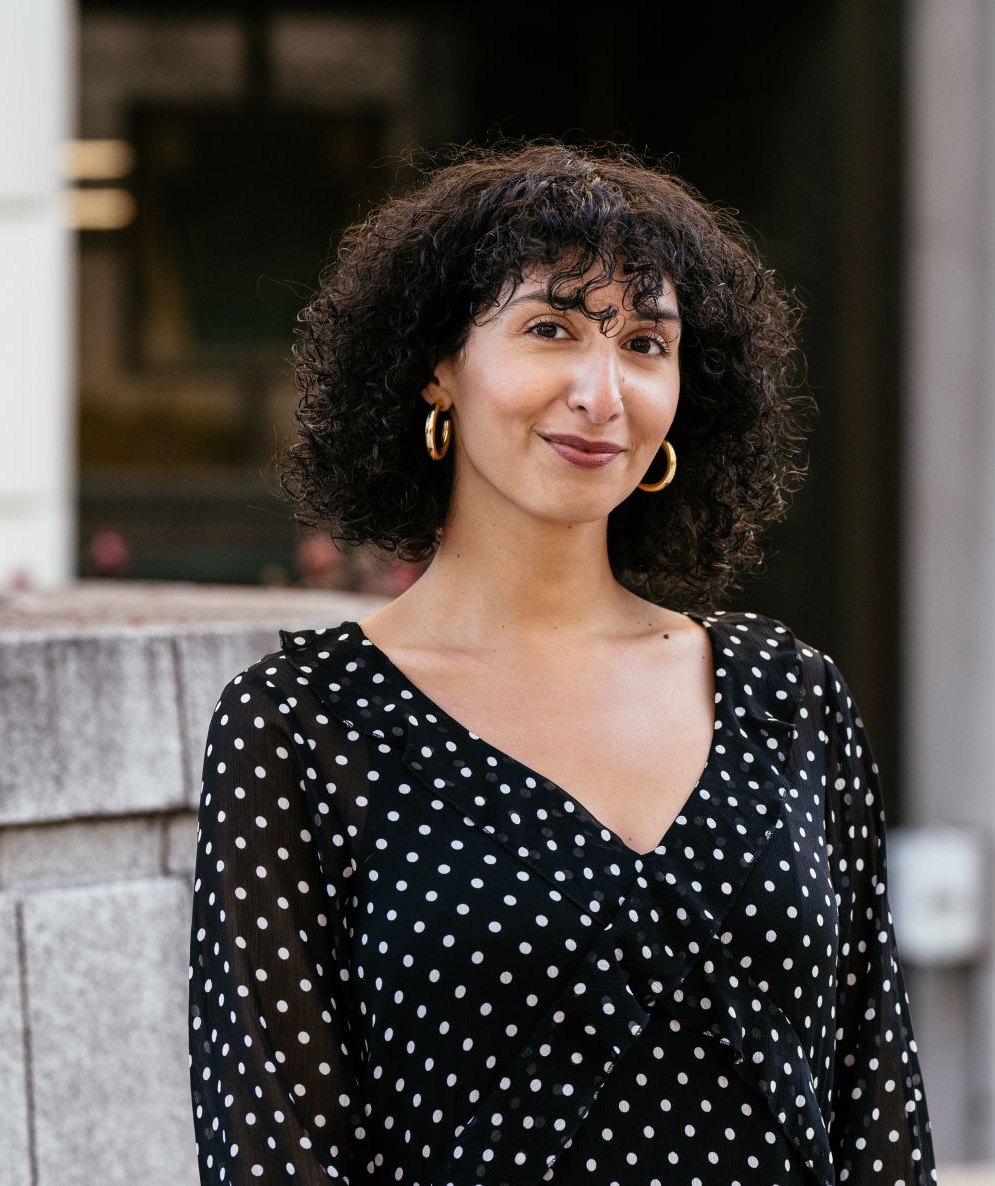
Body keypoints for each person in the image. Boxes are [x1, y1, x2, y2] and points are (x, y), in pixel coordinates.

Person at [187, 140, 936, 1186]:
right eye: (550, 328)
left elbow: (877, 1105)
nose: (601, 391)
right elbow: (276, 1149)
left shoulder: (786, 693)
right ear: (437, 366)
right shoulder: (305, 723)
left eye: (643, 342)